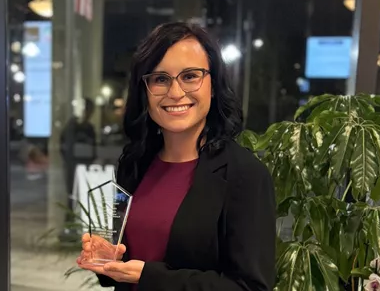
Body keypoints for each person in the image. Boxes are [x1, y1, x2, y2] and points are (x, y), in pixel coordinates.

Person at [77, 22, 276, 291]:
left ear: (213, 85)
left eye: (190, 76)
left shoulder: (244, 175)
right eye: (160, 79)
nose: (175, 92)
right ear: (144, 91)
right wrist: (105, 259)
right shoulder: (134, 164)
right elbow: (121, 265)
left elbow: (250, 287)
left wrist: (151, 277)